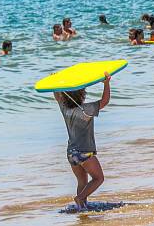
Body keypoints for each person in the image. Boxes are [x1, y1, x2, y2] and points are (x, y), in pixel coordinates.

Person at [53, 72, 111, 210]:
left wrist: (55, 83)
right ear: (82, 95)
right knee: (99, 178)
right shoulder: (87, 110)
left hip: (71, 153)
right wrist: (107, 83)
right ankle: (80, 199)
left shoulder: (65, 109)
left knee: (82, 182)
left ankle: (82, 207)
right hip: (84, 152)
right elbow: (105, 101)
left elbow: (57, 97)